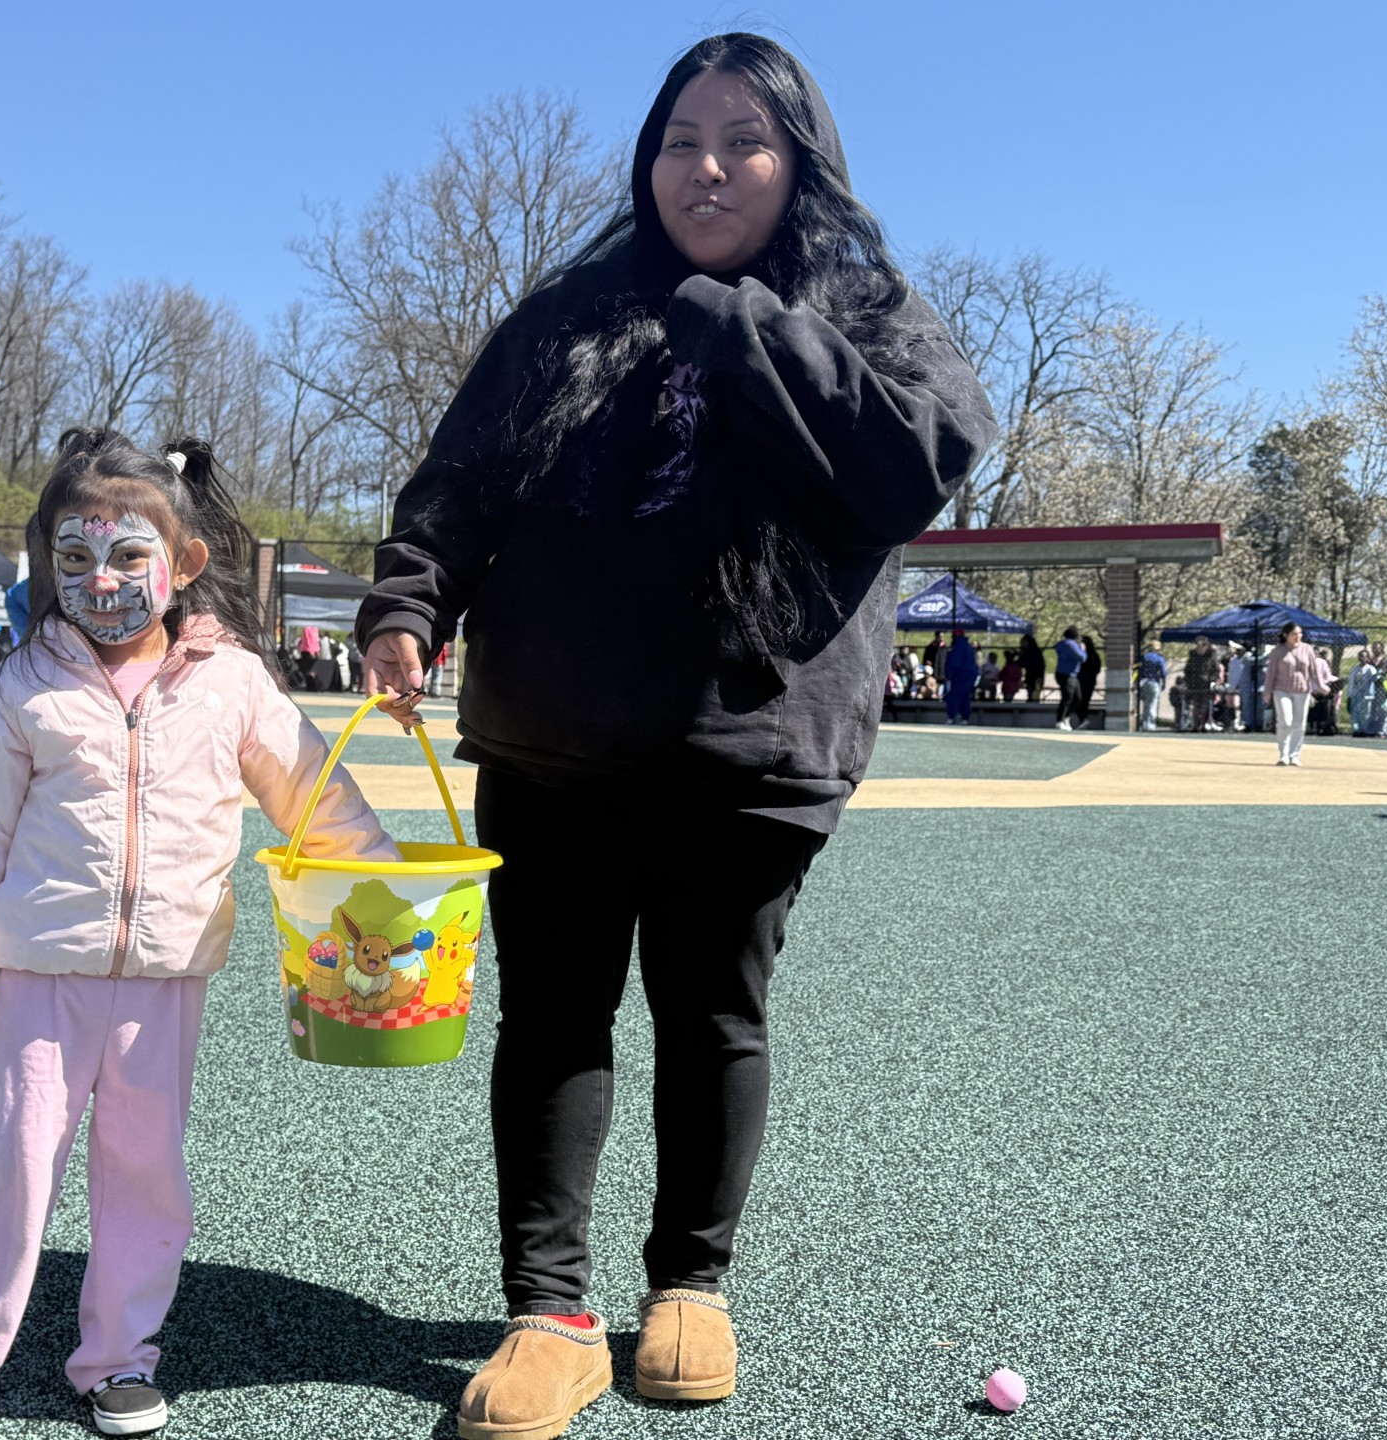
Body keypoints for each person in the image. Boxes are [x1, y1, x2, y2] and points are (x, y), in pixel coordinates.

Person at [356, 35, 995, 1436]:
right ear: (647, 160)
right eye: (680, 139)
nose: (706, 167)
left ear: (800, 164)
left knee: (715, 1015)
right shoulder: (567, 316)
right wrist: (408, 604)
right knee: (554, 1018)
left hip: (753, 745)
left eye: (744, 141)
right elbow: (455, 488)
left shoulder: (871, 311)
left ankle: (691, 1289)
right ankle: (552, 1311)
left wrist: (732, 317)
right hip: (557, 735)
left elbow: (913, 464)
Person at [0, 431, 402, 1440]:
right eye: (75, 560)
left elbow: (314, 794)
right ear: (48, 565)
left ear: (184, 565)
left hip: (166, 982)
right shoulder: (25, 687)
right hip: (42, 979)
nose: (104, 580)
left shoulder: (234, 683)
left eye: (130, 557)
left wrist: (383, 895)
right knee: (8, 1165)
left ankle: (117, 1359)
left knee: (145, 1177)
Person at [1262, 621, 1326, 766]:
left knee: (1299, 723)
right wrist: (1267, 691)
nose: (1298, 636)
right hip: (1281, 689)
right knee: (1285, 720)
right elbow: (1271, 673)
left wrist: (1321, 685)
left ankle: (1294, 755)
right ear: (1286, 635)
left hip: (1302, 690)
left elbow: (1314, 670)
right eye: (1294, 634)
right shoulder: (1278, 651)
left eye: (1300, 634)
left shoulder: (1307, 649)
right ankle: (1283, 754)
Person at [1183, 635, 1221, 731]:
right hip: (1194, 683)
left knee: (1205, 704)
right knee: (1196, 705)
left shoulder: (1211, 656)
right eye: (1198, 644)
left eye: (1202, 644)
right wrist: (1188, 680)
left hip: (1206, 684)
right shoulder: (1193, 655)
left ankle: (1203, 724)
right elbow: (1187, 669)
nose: (1199, 646)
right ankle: (1195, 725)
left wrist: (1212, 680)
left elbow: (1216, 670)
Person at [1053, 625, 1086, 730]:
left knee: (1077, 697)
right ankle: (1059, 720)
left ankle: (1066, 718)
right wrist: (1083, 649)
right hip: (1067, 674)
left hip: (1070, 674)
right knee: (1067, 697)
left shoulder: (1063, 644)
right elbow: (1082, 657)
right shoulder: (1070, 645)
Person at [942, 629, 978, 724]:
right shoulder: (969, 648)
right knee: (965, 697)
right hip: (969, 676)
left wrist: (949, 674)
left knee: (954, 696)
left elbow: (954, 663)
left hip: (958, 676)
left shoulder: (957, 647)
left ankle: (952, 716)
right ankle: (964, 718)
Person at [1348, 649, 1384, 736]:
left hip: (1367, 695)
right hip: (1356, 694)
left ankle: (1365, 730)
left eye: (1364, 656)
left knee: (1366, 713)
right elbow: (1351, 682)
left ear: (1367, 658)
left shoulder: (1370, 669)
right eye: (1360, 656)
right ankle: (1357, 729)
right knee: (1355, 712)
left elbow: (1376, 679)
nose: (1362, 658)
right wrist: (1350, 694)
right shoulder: (1355, 669)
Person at [1137, 641, 1167, 731]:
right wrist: (1164, 683)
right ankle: (1151, 725)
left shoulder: (1144, 657)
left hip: (1143, 682)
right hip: (1154, 682)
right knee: (1152, 704)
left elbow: (1140, 669)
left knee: (1145, 705)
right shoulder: (1159, 659)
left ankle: (1144, 724)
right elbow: (1163, 672)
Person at [1018, 629, 1045, 704]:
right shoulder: (1035, 652)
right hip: (1032, 677)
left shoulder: (1032, 653)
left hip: (1035, 677)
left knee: (1034, 694)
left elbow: (1022, 663)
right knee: (1032, 693)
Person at [1076, 634, 1102, 714]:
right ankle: (1083, 715)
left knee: (1080, 699)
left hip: (1081, 680)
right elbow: (1098, 668)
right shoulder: (1094, 655)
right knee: (1085, 699)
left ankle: (1082, 715)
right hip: (1090, 680)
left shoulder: (1081, 655)